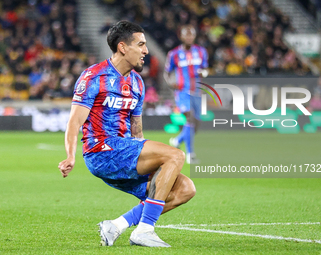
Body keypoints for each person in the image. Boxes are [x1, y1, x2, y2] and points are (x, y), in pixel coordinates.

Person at [58, 21, 196, 248]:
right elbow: (74, 122)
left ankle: (116, 226)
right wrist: (70, 156)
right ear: (123, 47)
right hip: (101, 151)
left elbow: (137, 131)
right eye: (141, 45)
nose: (146, 51)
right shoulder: (94, 76)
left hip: (125, 152)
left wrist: (151, 160)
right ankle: (144, 230)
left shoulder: (137, 83)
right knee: (176, 156)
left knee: (185, 189)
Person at [164, 25, 209, 164]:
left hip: (197, 91)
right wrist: (170, 83)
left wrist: (204, 73)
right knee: (189, 119)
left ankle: (177, 140)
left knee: (196, 124)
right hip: (183, 92)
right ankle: (190, 154)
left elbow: (206, 69)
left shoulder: (201, 51)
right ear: (181, 36)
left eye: (191, 35)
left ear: (194, 36)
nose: (189, 37)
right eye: (186, 35)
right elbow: (166, 72)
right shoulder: (174, 54)